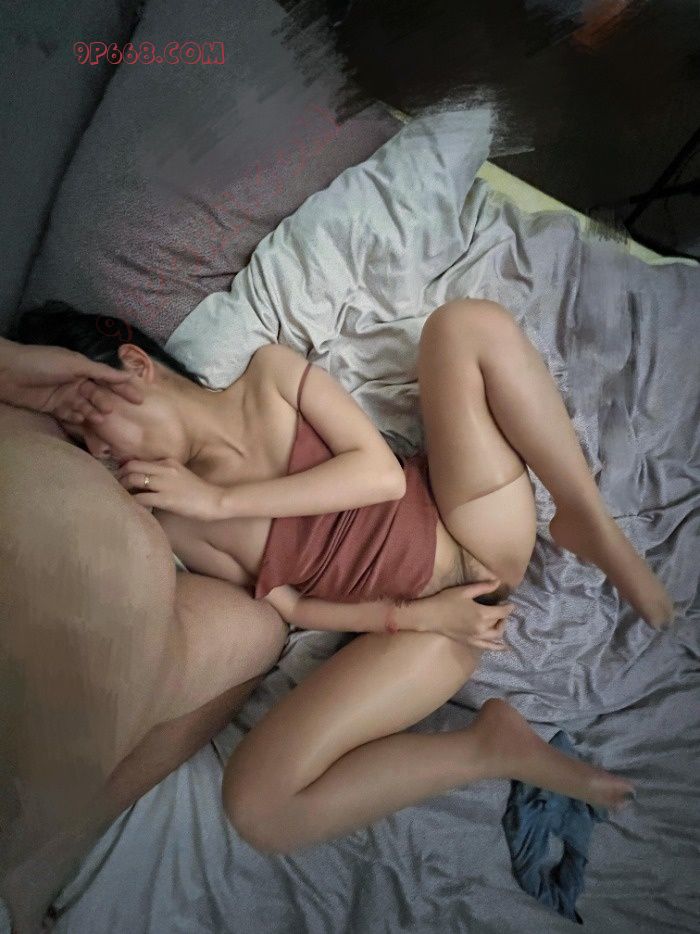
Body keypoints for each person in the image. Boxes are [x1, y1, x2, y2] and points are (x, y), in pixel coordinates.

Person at [7, 297, 675, 862]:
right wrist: (416, 618)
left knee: (464, 324)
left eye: (90, 423)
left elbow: (379, 476)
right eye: (86, 449)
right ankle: (488, 749)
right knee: (257, 807)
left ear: (134, 366)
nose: (102, 453)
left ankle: (587, 520)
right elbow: (292, 606)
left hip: (469, 516)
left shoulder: (268, 378)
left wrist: (221, 499)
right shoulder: (178, 524)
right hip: (437, 625)